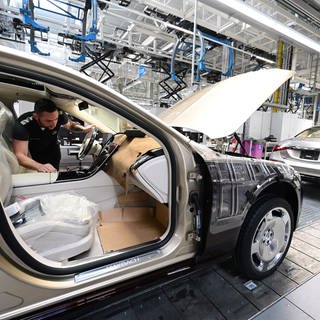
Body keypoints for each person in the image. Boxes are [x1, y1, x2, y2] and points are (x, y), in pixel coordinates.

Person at [12, 98, 94, 173]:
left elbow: (70, 125)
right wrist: (39, 166)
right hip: (34, 155)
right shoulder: (23, 125)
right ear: (36, 116)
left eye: (56, 119)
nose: (54, 124)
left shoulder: (60, 114)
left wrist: (83, 129)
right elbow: (20, 155)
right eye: (48, 121)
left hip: (53, 151)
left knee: (54, 174)